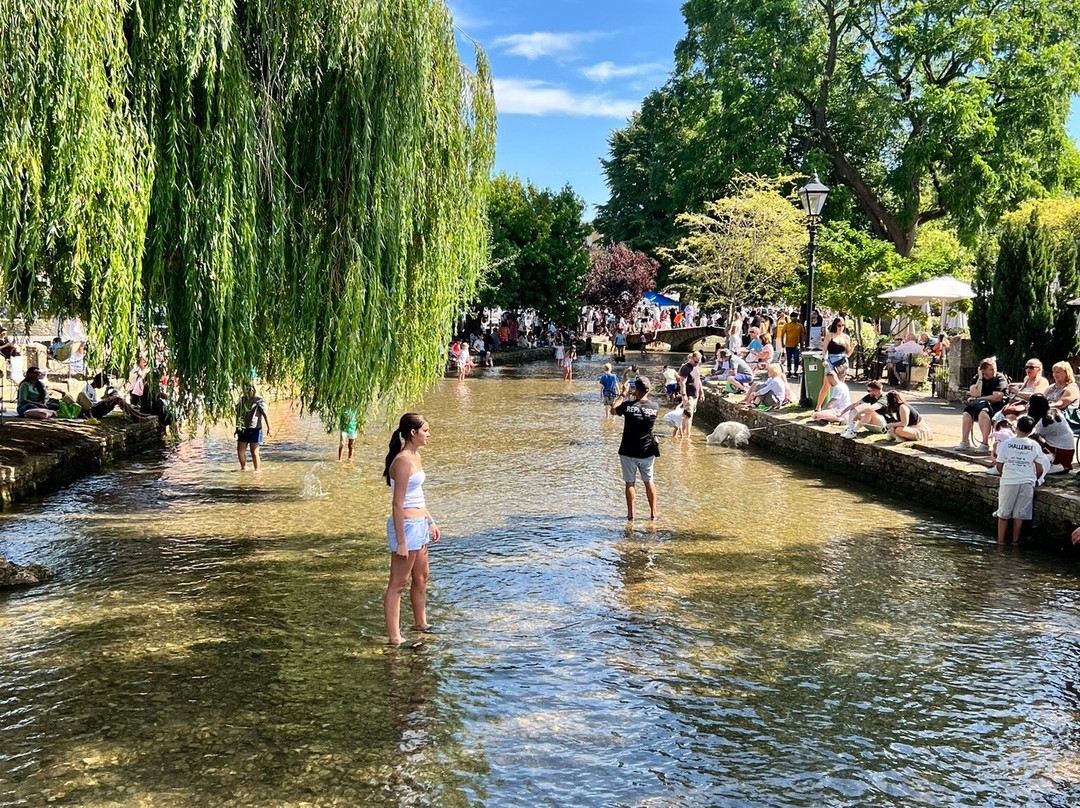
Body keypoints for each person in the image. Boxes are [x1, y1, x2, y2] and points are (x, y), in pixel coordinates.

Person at [383, 413, 441, 646]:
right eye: (425, 431)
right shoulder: (403, 461)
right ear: (413, 433)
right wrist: (401, 542)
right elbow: (398, 503)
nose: (429, 435)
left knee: (422, 576)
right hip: (406, 528)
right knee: (398, 584)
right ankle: (395, 637)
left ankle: (421, 623)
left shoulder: (415, 457)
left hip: (419, 525)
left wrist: (430, 520)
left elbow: (417, 495)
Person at [611, 376, 659, 521]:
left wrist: (622, 394)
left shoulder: (627, 406)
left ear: (635, 390)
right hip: (647, 450)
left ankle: (631, 515)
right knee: (649, 481)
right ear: (648, 390)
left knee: (630, 483)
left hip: (628, 450)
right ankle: (653, 514)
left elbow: (613, 410)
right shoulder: (655, 407)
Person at [994, 415, 1041, 545]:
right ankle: (1015, 542)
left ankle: (1001, 542)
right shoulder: (1034, 445)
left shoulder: (1007, 444)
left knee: (1003, 514)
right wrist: (1035, 479)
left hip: (1009, 481)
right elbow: (1039, 467)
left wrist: (1004, 474)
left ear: (1017, 427)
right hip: (1027, 482)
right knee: (1019, 515)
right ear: (1031, 430)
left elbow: (999, 464)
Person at [955, 358, 1009, 452]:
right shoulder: (977, 378)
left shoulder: (999, 378)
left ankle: (984, 443)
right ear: (983, 370)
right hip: (981, 404)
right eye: (991, 369)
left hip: (996, 405)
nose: (994, 371)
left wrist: (979, 398)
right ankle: (965, 442)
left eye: (994, 368)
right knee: (967, 413)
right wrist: (980, 378)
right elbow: (974, 393)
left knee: (983, 414)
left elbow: (997, 397)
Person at [77, 373, 149, 422]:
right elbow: (89, 405)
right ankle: (136, 417)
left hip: (96, 408)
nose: (102, 386)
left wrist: (105, 398)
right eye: (102, 384)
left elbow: (95, 401)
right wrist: (105, 400)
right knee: (117, 399)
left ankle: (137, 414)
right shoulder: (87, 388)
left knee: (117, 398)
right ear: (97, 381)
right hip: (94, 411)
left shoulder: (92, 389)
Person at [1027, 394, 1074, 472]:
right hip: (1068, 450)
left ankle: (1056, 464)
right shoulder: (1055, 411)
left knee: (1032, 441)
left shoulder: (1044, 422)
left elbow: (1034, 436)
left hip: (1060, 451)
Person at [236, 383, 272, 471]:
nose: (248, 392)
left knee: (254, 452)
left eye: (250, 390)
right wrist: (237, 428)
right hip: (243, 429)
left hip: (255, 429)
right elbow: (238, 415)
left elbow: (265, 414)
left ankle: (257, 470)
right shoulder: (242, 401)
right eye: (246, 390)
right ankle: (244, 468)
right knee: (240, 452)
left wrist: (269, 428)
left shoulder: (259, 401)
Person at [678, 351, 705, 436]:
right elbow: (682, 382)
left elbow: (698, 380)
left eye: (698, 362)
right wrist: (684, 395)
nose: (697, 363)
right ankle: (687, 435)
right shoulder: (686, 368)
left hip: (695, 395)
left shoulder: (696, 367)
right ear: (691, 358)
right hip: (689, 395)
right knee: (688, 416)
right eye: (696, 361)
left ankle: (682, 434)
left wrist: (701, 393)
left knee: (689, 415)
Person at [779, 311, 804, 378]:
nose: (794, 318)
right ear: (790, 317)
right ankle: (789, 371)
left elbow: (802, 334)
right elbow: (782, 334)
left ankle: (795, 371)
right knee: (789, 359)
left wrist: (802, 344)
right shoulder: (787, 325)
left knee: (796, 359)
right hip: (788, 345)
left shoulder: (800, 325)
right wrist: (782, 343)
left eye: (795, 317)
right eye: (792, 317)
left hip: (797, 345)